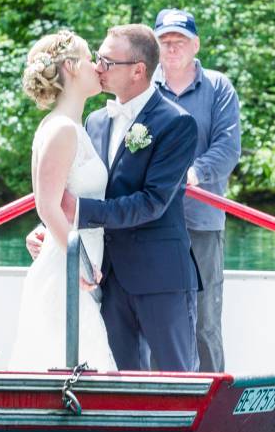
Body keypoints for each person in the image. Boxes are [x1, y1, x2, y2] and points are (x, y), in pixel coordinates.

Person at [63, 24, 201, 372]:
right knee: (119, 380)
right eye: (97, 59)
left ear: (139, 70)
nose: (97, 68)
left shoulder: (177, 124)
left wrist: (78, 212)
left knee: (177, 380)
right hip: (108, 277)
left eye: (107, 61)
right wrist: (55, 228)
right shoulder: (94, 121)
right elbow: (82, 186)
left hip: (161, 278)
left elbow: (152, 203)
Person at [9, 31, 117, 372]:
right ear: (70, 66)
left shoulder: (72, 126)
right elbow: (47, 205)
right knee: (69, 362)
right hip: (68, 268)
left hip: (79, 261)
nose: (98, 65)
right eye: (89, 58)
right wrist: (81, 264)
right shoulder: (61, 130)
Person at [152, 7, 241, 373]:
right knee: (156, 316)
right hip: (152, 223)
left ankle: (212, 395)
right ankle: (156, 397)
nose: (172, 48)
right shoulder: (143, 85)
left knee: (205, 321)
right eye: (165, 41)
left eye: (180, 41)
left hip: (202, 220)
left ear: (196, 44)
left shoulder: (218, 86)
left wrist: (192, 174)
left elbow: (227, 147)